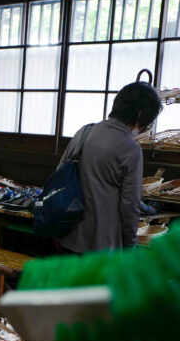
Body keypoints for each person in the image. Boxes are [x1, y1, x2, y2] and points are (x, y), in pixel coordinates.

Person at [59, 81, 163, 253]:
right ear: (140, 115)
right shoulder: (131, 149)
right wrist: (130, 246)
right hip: (102, 245)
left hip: (67, 235)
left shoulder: (84, 132)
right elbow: (130, 206)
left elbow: (59, 174)